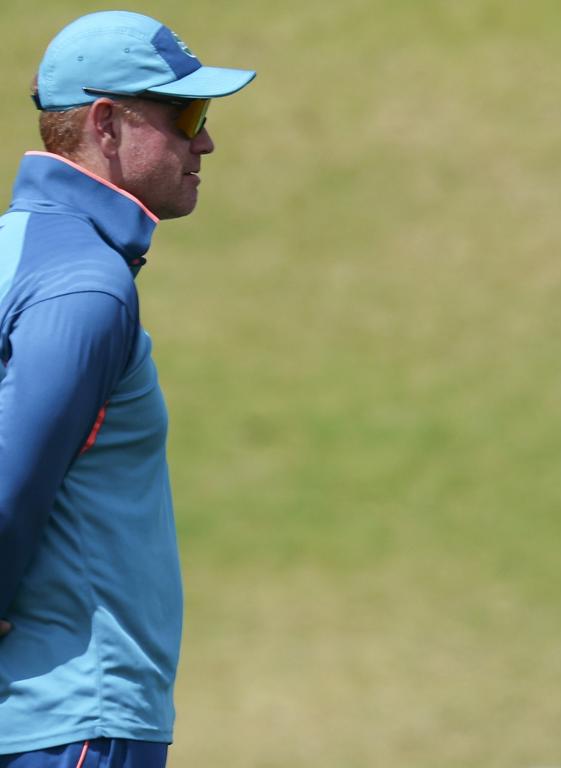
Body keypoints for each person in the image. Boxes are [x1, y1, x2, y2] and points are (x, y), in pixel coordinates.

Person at [0, 11, 254, 767]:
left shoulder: (13, 251)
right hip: (76, 716)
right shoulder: (88, 286)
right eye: (187, 115)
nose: (204, 141)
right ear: (105, 124)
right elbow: (11, 481)